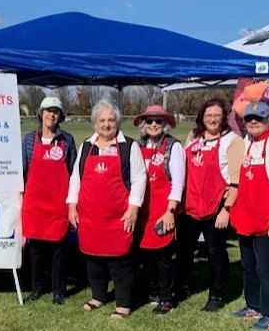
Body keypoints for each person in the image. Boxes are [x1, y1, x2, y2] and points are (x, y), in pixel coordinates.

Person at [68, 99, 147, 319]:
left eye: (111, 120)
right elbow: (76, 178)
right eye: (102, 120)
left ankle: (123, 303)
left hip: (118, 216)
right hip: (90, 216)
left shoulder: (129, 146)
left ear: (118, 122)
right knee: (93, 259)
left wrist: (133, 208)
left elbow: (140, 178)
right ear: (95, 123)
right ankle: (98, 296)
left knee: (119, 261)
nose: (106, 124)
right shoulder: (86, 146)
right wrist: (72, 206)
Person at [230, 101, 269, 331]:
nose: (253, 122)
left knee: (267, 268)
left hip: (268, 222)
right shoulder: (247, 142)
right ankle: (254, 305)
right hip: (247, 218)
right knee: (250, 266)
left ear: (268, 119)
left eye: (258, 118)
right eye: (249, 119)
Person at [177, 98, 244, 312]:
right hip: (190, 205)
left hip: (216, 205)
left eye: (217, 115)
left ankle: (216, 295)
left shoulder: (232, 140)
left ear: (223, 117)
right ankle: (182, 287)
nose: (213, 119)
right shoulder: (193, 136)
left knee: (216, 252)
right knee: (184, 250)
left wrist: (226, 210)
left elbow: (236, 180)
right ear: (202, 117)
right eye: (209, 115)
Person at [21, 96, 76, 305]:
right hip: (35, 203)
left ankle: (58, 292)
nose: (50, 114)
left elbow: (72, 172)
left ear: (60, 116)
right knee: (35, 252)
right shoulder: (29, 140)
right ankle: (36, 289)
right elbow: (24, 170)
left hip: (58, 204)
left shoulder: (67, 140)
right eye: (47, 110)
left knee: (58, 252)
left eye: (55, 111)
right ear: (40, 113)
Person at [133, 105, 185, 315]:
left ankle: (166, 298)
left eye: (158, 121)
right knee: (146, 255)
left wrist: (170, 212)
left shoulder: (174, 147)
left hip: (163, 209)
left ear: (165, 125)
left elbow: (178, 182)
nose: (153, 125)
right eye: (150, 121)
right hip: (143, 209)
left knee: (162, 257)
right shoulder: (138, 146)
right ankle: (151, 292)